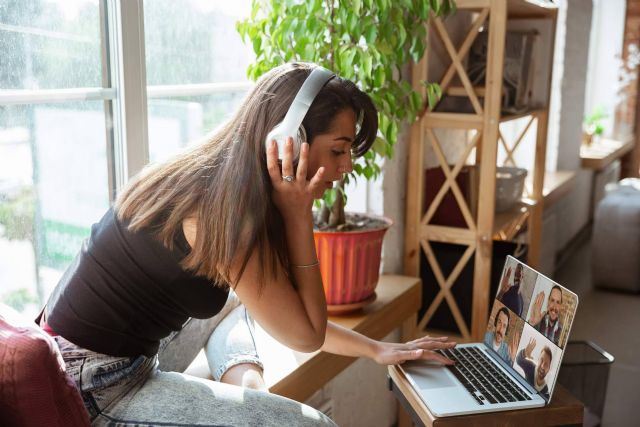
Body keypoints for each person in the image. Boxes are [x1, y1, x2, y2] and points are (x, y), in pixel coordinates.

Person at [38, 62, 456, 426]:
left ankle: (246, 382)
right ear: (288, 138)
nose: (347, 166)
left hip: (106, 353)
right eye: (340, 149)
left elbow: (289, 314)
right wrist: (298, 215)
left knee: (233, 302)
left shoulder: (221, 178)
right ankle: (249, 392)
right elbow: (305, 335)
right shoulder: (222, 213)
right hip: (93, 386)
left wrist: (378, 349)